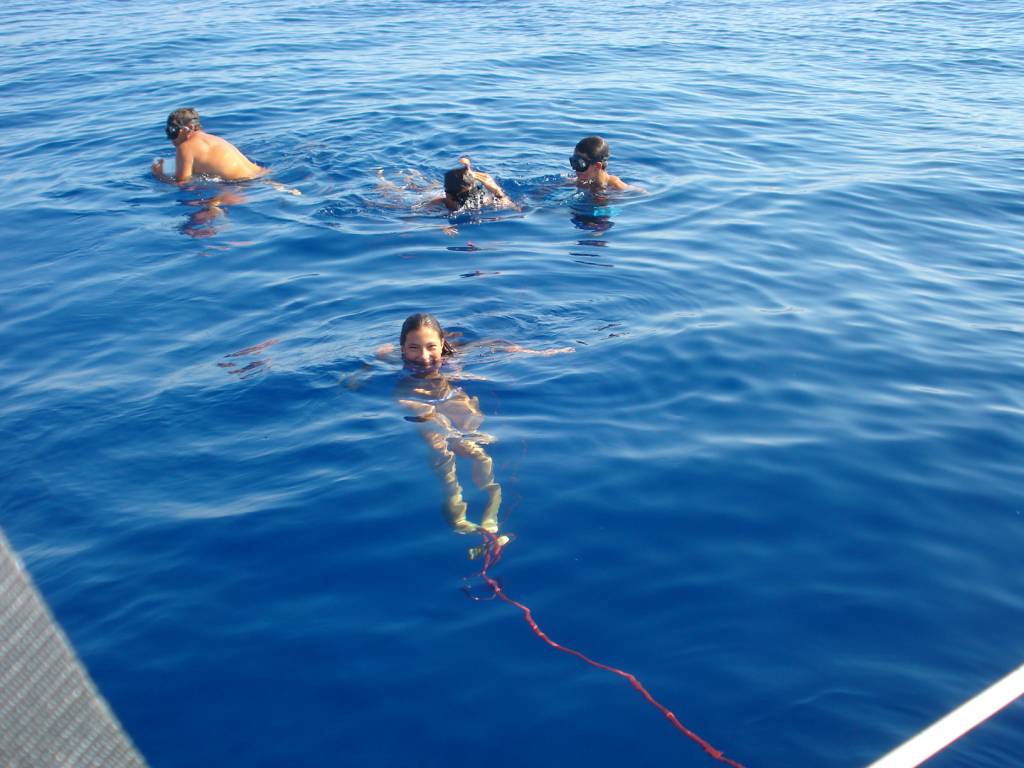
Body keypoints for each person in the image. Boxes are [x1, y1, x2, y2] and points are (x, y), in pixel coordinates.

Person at [370, 313, 573, 556]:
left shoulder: (453, 354)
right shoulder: (393, 358)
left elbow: (494, 344)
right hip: (413, 396)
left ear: (443, 343)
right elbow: (376, 360)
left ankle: (491, 517)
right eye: (413, 348)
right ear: (402, 347)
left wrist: (538, 353)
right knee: (441, 446)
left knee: (478, 453)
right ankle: (456, 513)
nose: (423, 357)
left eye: (430, 347)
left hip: (447, 394)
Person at [375, 157, 518, 236]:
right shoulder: (484, 200)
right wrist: (499, 194)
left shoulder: (444, 201)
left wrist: (440, 226)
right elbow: (514, 208)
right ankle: (394, 178)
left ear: (447, 193)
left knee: (399, 193)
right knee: (415, 189)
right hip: (447, 191)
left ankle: (382, 179)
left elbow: (414, 217)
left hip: (447, 191)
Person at [152, 108, 267, 184]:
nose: (171, 137)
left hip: (239, 183)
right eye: (169, 132)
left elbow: (182, 183)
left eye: (174, 131)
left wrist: (159, 175)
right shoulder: (214, 139)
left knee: (205, 211)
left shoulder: (186, 147)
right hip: (262, 174)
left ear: (189, 129)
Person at [569, 136, 645, 192]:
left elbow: (642, 192)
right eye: (573, 162)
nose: (575, 169)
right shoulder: (580, 181)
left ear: (597, 166)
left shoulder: (615, 186)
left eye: (580, 164)